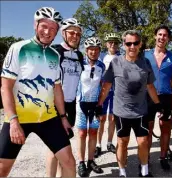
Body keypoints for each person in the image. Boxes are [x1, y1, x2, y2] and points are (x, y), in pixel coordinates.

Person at [0, 7, 76, 177]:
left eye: (53, 28)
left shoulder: (55, 55)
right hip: (20, 117)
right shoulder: (19, 48)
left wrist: (63, 117)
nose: (48, 32)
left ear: (57, 31)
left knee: (69, 163)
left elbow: (56, 88)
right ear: (35, 25)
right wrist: (13, 121)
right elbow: (5, 87)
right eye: (44, 26)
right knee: (2, 169)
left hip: (48, 118)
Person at [95, 30, 163, 177]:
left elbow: (150, 86)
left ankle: (144, 171)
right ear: (124, 44)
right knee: (122, 142)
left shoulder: (145, 63)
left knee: (143, 142)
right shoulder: (116, 62)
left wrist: (158, 104)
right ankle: (122, 172)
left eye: (135, 43)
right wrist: (99, 104)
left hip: (140, 111)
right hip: (121, 112)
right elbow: (106, 86)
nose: (132, 46)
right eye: (128, 43)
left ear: (140, 44)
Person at [45, 18, 84, 177]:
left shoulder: (80, 55)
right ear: (63, 33)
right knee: (54, 148)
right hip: (54, 105)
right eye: (71, 32)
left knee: (61, 146)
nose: (75, 36)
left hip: (70, 105)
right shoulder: (53, 51)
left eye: (78, 33)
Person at [144, 25, 172, 170]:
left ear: (168, 39)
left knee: (165, 129)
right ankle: (145, 159)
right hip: (147, 97)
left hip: (166, 97)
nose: (162, 37)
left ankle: (163, 157)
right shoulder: (144, 55)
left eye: (165, 35)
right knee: (147, 129)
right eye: (159, 34)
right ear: (155, 36)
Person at [75, 37, 105, 177]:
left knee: (93, 132)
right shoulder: (79, 64)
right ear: (86, 50)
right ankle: (80, 162)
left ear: (99, 51)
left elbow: (103, 86)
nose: (93, 52)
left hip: (95, 103)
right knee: (82, 133)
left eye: (96, 49)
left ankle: (90, 160)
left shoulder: (102, 66)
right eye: (91, 49)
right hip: (81, 102)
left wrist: (100, 104)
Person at [95, 33, 121, 157]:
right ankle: (98, 145)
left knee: (112, 119)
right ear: (106, 44)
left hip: (116, 91)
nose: (113, 44)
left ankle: (110, 142)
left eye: (115, 42)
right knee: (101, 118)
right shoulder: (100, 57)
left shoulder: (121, 57)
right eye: (110, 42)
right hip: (103, 90)